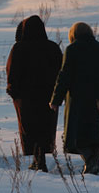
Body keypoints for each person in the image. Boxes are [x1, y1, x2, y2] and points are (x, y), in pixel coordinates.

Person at [49, 22, 99, 175]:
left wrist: (56, 100)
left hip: (78, 100)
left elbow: (64, 77)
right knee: (97, 135)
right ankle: (93, 165)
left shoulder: (72, 50)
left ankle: (90, 163)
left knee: (78, 136)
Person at [6, 15, 63, 172]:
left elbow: (12, 72)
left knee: (31, 129)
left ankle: (39, 161)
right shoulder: (52, 47)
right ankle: (40, 160)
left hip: (26, 98)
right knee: (45, 127)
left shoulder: (19, 48)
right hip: (48, 96)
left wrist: (13, 92)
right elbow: (61, 71)